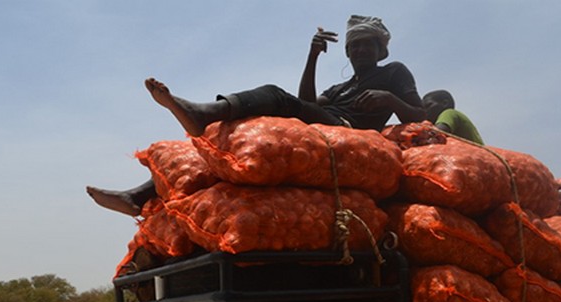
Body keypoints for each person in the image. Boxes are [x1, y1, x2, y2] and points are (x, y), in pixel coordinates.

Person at [87, 15, 426, 216]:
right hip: (323, 122)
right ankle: (139, 196)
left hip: (346, 132)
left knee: (276, 96)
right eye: (356, 46)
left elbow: (421, 113)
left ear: (381, 49)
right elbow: (307, 101)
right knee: (232, 140)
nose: (362, 50)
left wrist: (390, 98)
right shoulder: (342, 87)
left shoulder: (393, 72)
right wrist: (312, 57)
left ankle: (208, 111)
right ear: (348, 52)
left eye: (368, 45)